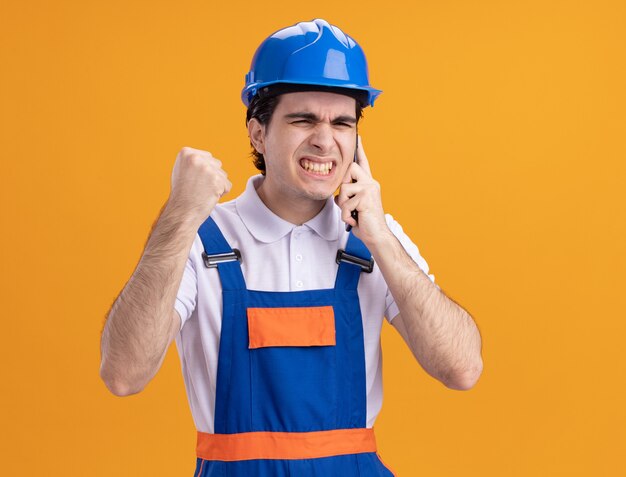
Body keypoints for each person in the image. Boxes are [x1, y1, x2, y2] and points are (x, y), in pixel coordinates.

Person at [100, 18, 483, 476]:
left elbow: (462, 369)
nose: (325, 140)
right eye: (304, 119)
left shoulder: (373, 239)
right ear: (258, 133)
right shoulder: (199, 237)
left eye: (342, 122)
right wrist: (179, 217)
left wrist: (379, 237)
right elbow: (123, 374)